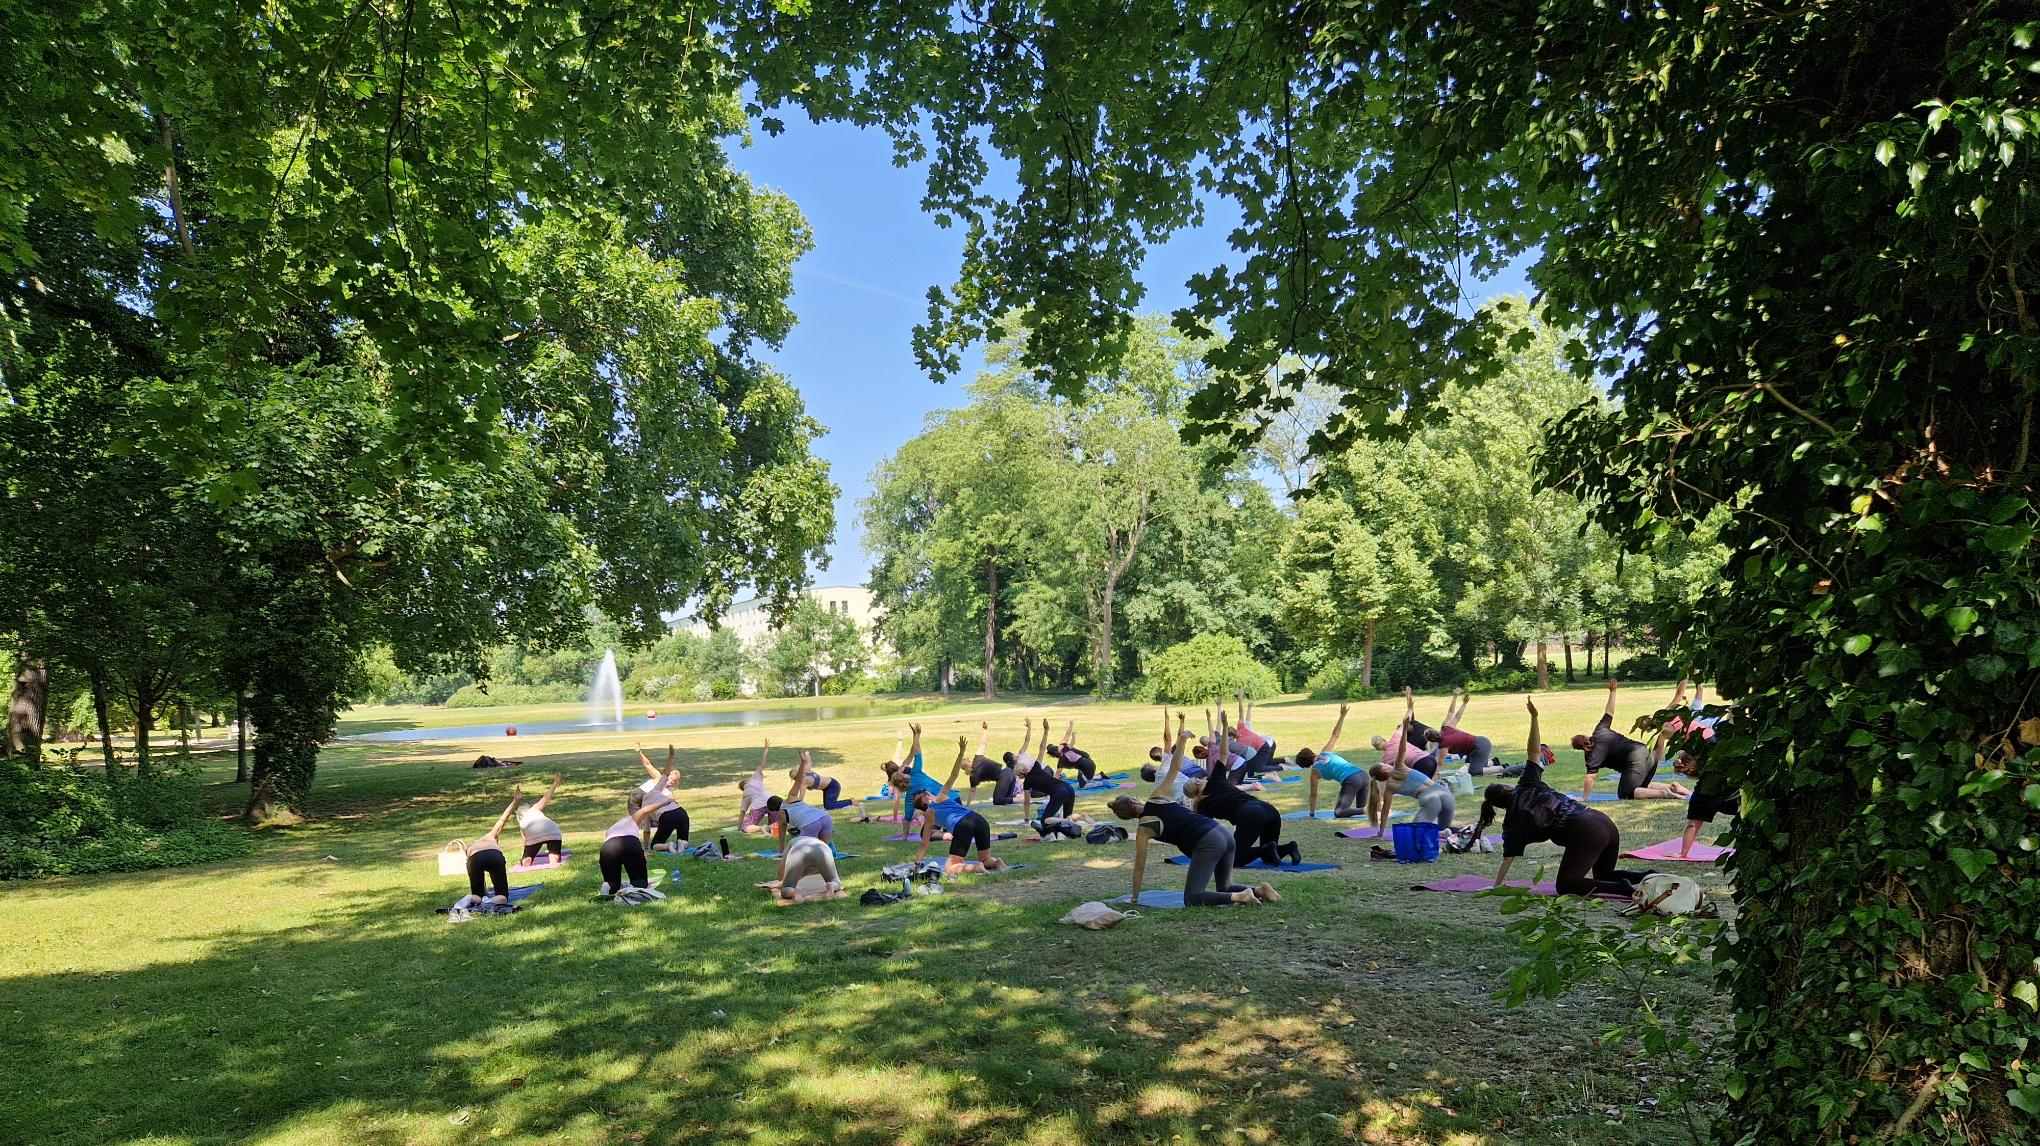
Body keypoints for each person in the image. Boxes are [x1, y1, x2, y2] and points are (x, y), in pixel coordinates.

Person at [1480, 696, 1652, 897]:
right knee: (1604, 873)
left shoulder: (1512, 824)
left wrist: (1496, 886)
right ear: (1508, 789)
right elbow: (1534, 752)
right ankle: (1647, 877)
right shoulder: (1527, 783)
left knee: (1566, 885)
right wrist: (1534, 718)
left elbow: (1507, 860)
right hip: (1603, 821)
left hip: (1588, 832)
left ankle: (1622, 888)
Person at [1107, 724, 1280, 906]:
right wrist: (1181, 740)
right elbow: (1174, 768)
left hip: (1209, 842)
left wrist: (1135, 898)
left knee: (1192, 898)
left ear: (1129, 817)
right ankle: (1259, 890)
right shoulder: (1157, 797)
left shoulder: (1143, 831)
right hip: (1224, 835)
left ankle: (1241, 896)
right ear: (1134, 801)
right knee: (1225, 886)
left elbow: (1139, 868)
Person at [1188, 725, 1301, 867]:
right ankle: (1289, 847)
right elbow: (1223, 754)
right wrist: (1224, 725)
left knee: (1233, 859)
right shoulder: (1215, 780)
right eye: (1197, 780)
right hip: (1269, 809)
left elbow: (1205, 831)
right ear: (1197, 785)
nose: (1200, 778)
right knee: (1268, 858)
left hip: (1251, 814)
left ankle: (1266, 848)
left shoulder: (1203, 806)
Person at [910, 735, 1012, 875]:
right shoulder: (941, 796)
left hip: (963, 826)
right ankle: (996, 862)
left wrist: (916, 863)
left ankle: (977, 868)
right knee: (986, 859)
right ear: (928, 796)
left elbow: (924, 845)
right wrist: (961, 753)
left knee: (950, 867)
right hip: (979, 819)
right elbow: (954, 774)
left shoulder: (929, 818)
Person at [1573, 680, 1692, 800]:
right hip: (1647, 752)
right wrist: (1613, 691)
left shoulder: (1592, 755)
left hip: (1636, 760)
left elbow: (1590, 777)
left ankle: (1665, 794)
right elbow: (1609, 712)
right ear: (1586, 737)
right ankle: (1673, 787)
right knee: (1642, 787)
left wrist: (1584, 797)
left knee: (1627, 793)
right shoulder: (1599, 730)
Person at [1367, 688, 1457, 831]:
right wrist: (1403, 732)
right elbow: (1402, 749)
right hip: (1446, 795)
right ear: (1384, 768)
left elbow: (1385, 811)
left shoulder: (1390, 787)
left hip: (1432, 798)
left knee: (1423, 831)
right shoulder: (1399, 767)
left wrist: (1381, 832)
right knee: (1443, 829)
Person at [601, 770, 679, 896]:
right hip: (628, 843)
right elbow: (644, 811)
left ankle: (607, 887)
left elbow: (620, 850)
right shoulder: (632, 819)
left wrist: (641, 852)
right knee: (640, 881)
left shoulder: (615, 826)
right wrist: (665, 802)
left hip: (607, 848)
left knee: (612, 883)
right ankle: (630, 888)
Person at [1294, 703, 1368, 817]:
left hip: (1351, 780)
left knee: (1339, 812)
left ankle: (1370, 810)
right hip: (1363, 775)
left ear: (1306, 765)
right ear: (1312, 753)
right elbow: (1335, 735)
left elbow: (1313, 794)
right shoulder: (1325, 751)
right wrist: (1342, 716)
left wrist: (1312, 813)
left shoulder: (1315, 772)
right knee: (1360, 809)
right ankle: (1377, 809)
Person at [452, 791, 520, 913]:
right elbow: (503, 819)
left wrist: (482, 891)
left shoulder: (471, 846)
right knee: (503, 896)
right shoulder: (491, 836)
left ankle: (469, 899)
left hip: (474, 859)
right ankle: (488, 902)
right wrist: (515, 801)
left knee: (477, 895)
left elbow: (475, 872)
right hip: (495, 857)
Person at [1010, 720, 1078, 826]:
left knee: (1045, 820)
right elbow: (1042, 749)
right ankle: (1081, 818)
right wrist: (1046, 730)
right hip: (1069, 787)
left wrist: (1027, 819)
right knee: (1067, 821)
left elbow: (1027, 803)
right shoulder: (1036, 767)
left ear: (1022, 773)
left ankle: (1067, 821)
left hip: (1060, 792)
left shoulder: (1027, 783)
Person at [766, 750, 836, 844]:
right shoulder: (792, 797)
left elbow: (781, 836)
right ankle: (827, 848)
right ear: (781, 799)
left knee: (803, 849)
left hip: (811, 824)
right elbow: (798, 781)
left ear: (774, 809)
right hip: (825, 818)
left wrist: (780, 851)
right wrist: (803, 762)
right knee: (822, 847)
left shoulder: (781, 815)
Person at [633, 743, 692, 853]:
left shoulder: (644, 810)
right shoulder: (656, 789)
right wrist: (671, 756)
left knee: (655, 845)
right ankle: (681, 843)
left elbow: (646, 832)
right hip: (681, 813)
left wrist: (646, 848)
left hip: (667, 816)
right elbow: (663, 771)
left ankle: (668, 845)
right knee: (684, 841)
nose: (671, 782)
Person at [767, 834, 845, 904]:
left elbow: (781, 868)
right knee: (835, 881)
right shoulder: (816, 841)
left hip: (799, 851)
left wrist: (783, 885)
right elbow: (803, 873)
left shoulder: (792, 842)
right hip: (823, 849)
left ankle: (794, 891)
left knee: (786, 890)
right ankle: (831, 885)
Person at [516, 772, 566, 864]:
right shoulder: (535, 808)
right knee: (554, 852)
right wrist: (556, 782)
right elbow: (546, 797)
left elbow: (525, 842)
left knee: (527, 857)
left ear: (519, 815)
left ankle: (527, 860)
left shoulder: (522, 822)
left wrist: (526, 854)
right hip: (552, 829)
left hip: (533, 832)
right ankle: (553, 858)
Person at [966, 722, 1020, 805]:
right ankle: (1019, 798)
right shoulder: (973, 776)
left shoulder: (978, 758)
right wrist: (967, 805)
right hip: (1007, 775)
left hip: (1005, 774)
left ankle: (1020, 799)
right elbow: (972, 791)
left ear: (968, 761)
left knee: (997, 800)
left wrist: (985, 730)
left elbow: (983, 743)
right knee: (1002, 799)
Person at [1040, 718, 1103, 784]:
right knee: (1083, 775)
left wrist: (1050, 785)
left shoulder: (1061, 762)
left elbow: (1056, 777)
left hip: (1086, 764)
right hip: (1089, 761)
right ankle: (1099, 776)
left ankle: (1098, 781)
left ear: (1053, 756)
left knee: (1083, 785)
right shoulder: (1064, 747)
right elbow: (1070, 738)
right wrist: (1072, 726)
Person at [736, 748, 772, 834]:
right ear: (746, 781)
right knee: (775, 825)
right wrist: (766, 750)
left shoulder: (746, 794)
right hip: (772, 801)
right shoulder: (755, 778)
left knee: (746, 827)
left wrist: (740, 826)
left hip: (758, 805)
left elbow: (742, 812)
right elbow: (761, 764)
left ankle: (761, 828)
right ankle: (770, 827)